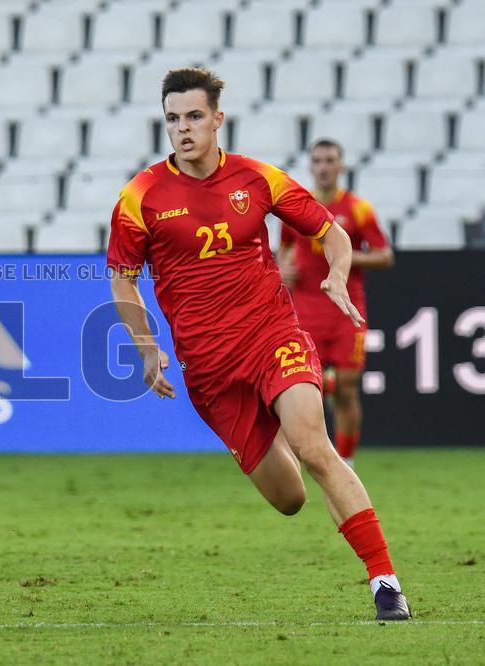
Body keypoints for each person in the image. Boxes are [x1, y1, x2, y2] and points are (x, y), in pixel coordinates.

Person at [106, 67, 410, 620]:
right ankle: (265, 433)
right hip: (209, 371)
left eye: (194, 116)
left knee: (315, 444)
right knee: (290, 500)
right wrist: (146, 347)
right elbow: (121, 275)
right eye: (173, 119)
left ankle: (385, 584)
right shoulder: (140, 196)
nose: (183, 129)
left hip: (272, 336)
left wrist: (338, 272)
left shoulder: (257, 179)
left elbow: (332, 233)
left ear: (218, 119)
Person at [278, 140, 393, 467]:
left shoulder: (358, 209)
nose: (324, 167)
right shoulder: (296, 208)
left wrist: (341, 254)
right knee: (300, 386)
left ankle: (348, 461)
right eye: (317, 161)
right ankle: (300, 460)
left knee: (346, 386)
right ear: (311, 166)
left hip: (346, 310)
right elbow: (284, 247)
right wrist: (283, 269)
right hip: (304, 310)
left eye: (330, 160)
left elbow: (384, 255)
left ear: (341, 166)